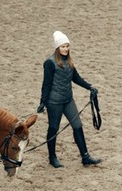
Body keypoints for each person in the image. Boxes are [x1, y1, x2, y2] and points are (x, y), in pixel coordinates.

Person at [37, 31, 101, 168]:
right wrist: (43, 102)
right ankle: (52, 157)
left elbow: (75, 78)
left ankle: (85, 156)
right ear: (57, 47)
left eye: (67, 46)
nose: (65, 49)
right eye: (63, 46)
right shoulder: (49, 63)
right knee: (53, 128)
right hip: (54, 102)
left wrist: (89, 87)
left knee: (77, 125)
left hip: (68, 100)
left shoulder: (69, 61)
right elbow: (46, 84)